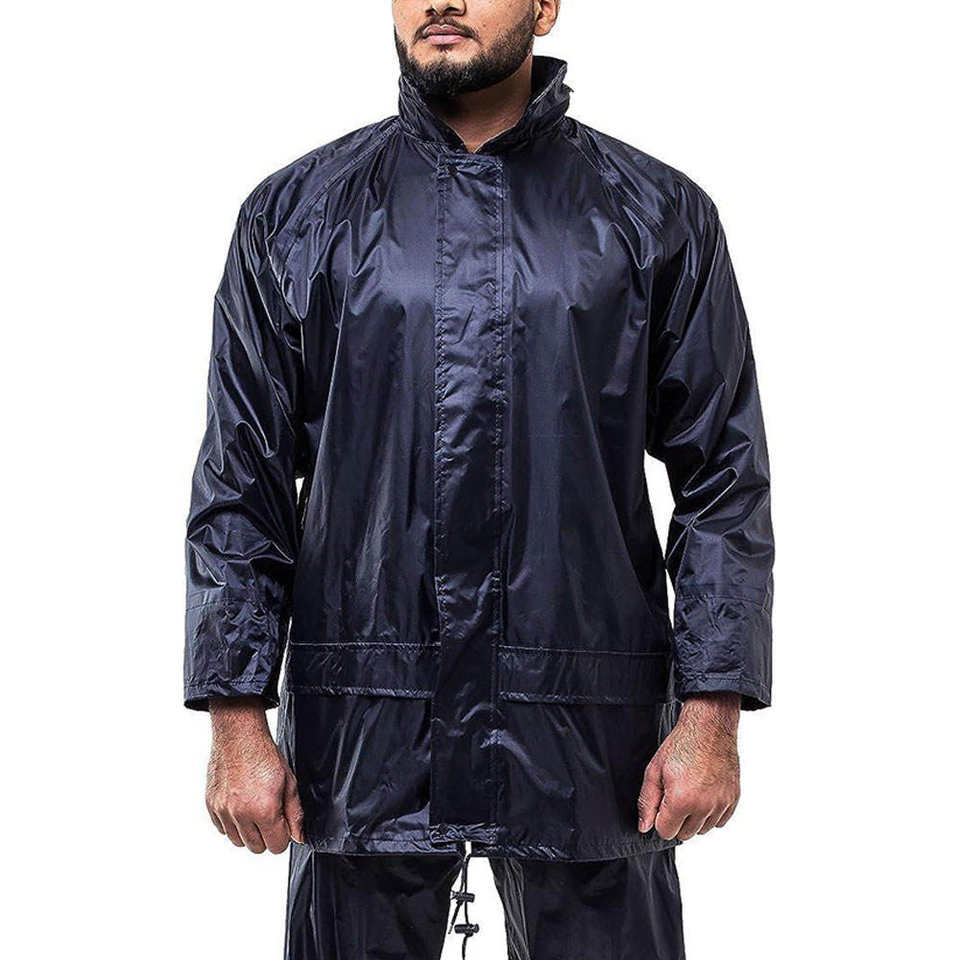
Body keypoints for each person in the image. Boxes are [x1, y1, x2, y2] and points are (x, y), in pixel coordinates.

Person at [183, 2, 774, 957]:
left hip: (588, 728)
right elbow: (241, 481)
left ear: (545, 6)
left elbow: (723, 481)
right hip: (366, 731)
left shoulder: (656, 214)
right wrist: (235, 714)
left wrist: (713, 711)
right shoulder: (296, 216)